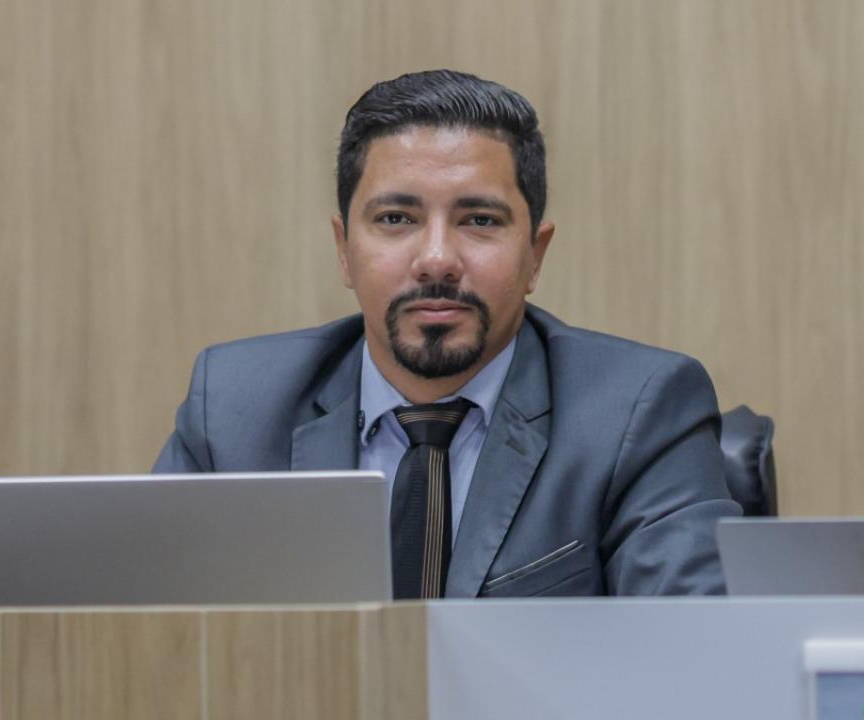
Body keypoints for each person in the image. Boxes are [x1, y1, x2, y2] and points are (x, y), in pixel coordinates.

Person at [154, 69, 739, 597]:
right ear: (344, 250)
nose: (436, 259)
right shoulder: (233, 410)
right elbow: (153, 638)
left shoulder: (636, 412)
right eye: (396, 219)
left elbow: (691, 648)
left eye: (479, 220)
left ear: (535, 255)